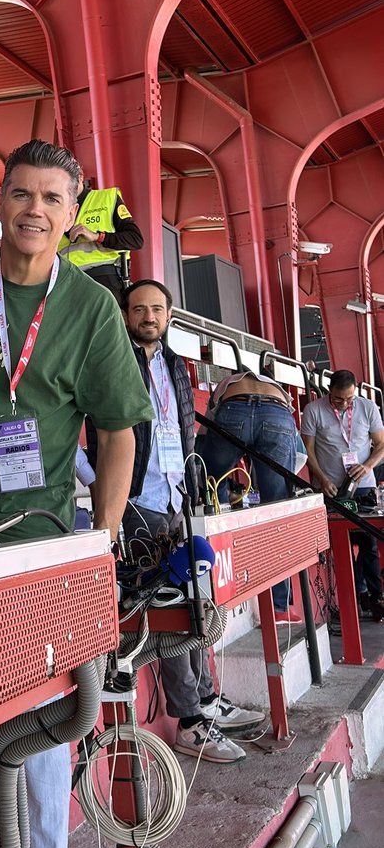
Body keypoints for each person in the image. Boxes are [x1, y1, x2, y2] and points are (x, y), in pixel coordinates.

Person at [0, 140, 154, 848]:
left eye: (52, 200)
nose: (35, 210)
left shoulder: (92, 310)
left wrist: (98, 544)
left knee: (43, 727)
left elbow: (117, 436)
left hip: (36, 544)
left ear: (72, 218)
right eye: (21, 193)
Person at [118, 280, 264, 763]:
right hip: (138, 500)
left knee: (199, 603)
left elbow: (180, 429)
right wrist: (103, 481)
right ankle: (190, 722)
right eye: (139, 308)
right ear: (126, 313)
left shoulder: (176, 366)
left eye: (156, 308)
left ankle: (206, 698)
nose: (148, 316)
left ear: (169, 313)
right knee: (172, 612)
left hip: (179, 495)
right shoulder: (114, 358)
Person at [198, 369, 305, 621]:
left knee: (214, 485)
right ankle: (279, 607)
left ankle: (217, 590)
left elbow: (204, 435)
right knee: (276, 512)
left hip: (233, 411)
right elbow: (298, 456)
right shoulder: (278, 391)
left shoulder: (228, 383)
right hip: (276, 416)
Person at [301, 369, 384, 621]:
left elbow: (381, 445)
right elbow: (308, 450)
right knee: (342, 545)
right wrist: (322, 479)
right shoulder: (314, 410)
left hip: (364, 484)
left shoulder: (368, 407)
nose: (346, 404)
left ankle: (375, 597)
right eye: (339, 400)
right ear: (329, 391)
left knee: (368, 544)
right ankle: (353, 599)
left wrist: (367, 465)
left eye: (350, 399)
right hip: (332, 487)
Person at [57, 177, 143, 301]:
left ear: (81, 176)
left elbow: (135, 239)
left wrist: (97, 236)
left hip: (103, 276)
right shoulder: (53, 207)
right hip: (64, 282)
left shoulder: (107, 198)